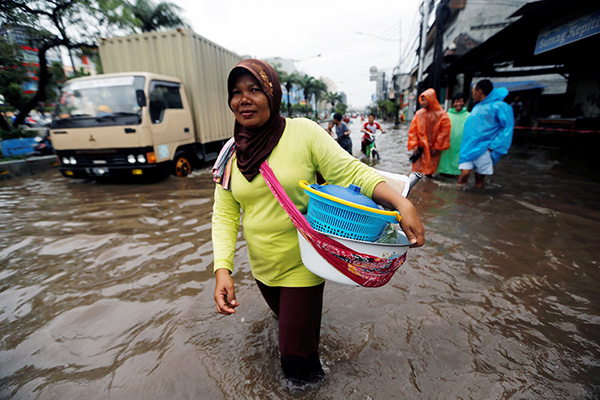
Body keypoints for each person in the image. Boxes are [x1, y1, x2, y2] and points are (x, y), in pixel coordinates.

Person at [211, 59, 425, 385]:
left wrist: (401, 202)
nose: (244, 99)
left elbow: (352, 172)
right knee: (297, 334)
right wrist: (222, 268)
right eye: (236, 92)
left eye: (255, 89)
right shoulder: (231, 153)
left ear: (272, 94)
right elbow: (225, 214)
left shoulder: (304, 133)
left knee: (294, 365)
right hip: (263, 270)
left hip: (304, 263)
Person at [458, 79, 514, 189]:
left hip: (484, 148)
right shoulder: (477, 107)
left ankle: (477, 201)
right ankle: (459, 197)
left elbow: (507, 128)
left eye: (473, 91)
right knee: (464, 174)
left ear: (479, 91)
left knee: (480, 177)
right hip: (468, 147)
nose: (472, 94)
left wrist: (492, 146)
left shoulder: (500, 106)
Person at [407, 88, 451, 176]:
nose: (422, 102)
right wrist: (414, 144)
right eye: (421, 100)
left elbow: (445, 131)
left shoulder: (442, 114)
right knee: (417, 171)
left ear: (430, 99)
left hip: (433, 148)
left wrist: (437, 146)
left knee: (431, 169)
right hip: (420, 147)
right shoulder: (419, 114)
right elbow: (413, 130)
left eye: (424, 100)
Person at [437, 92, 469, 176]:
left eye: (461, 101)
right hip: (447, 146)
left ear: (464, 103)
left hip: (461, 146)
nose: (458, 104)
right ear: (453, 103)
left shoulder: (469, 116)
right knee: (444, 169)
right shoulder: (446, 115)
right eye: (456, 101)